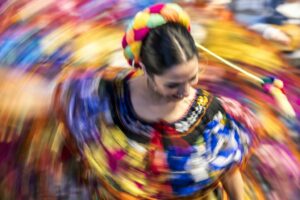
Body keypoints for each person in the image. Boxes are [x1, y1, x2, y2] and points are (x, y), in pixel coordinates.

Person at [0, 3, 251, 199]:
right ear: (145, 69)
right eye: (173, 85)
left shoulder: (209, 111)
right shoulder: (104, 94)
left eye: (193, 78)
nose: (186, 92)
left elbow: (229, 169)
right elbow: (38, 97)